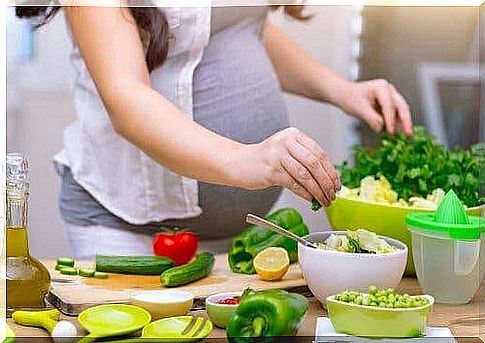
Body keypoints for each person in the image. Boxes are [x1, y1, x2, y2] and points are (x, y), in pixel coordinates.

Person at [16, 4, 412, 258]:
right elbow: (127, 100)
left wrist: (342, 90)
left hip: (234, 240)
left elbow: (236, 23)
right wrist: (248, 158)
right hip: (131, 233)